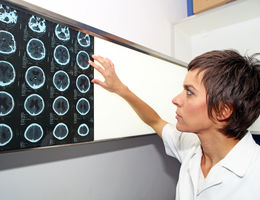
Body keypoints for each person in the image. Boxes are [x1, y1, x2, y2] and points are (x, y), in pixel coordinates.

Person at [88, 50, 260, 200]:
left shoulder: (255, 174)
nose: (176, 99)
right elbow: (154, 120)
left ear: (222, 111)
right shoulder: (191, 146)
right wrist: (120, 89)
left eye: (190, 92)